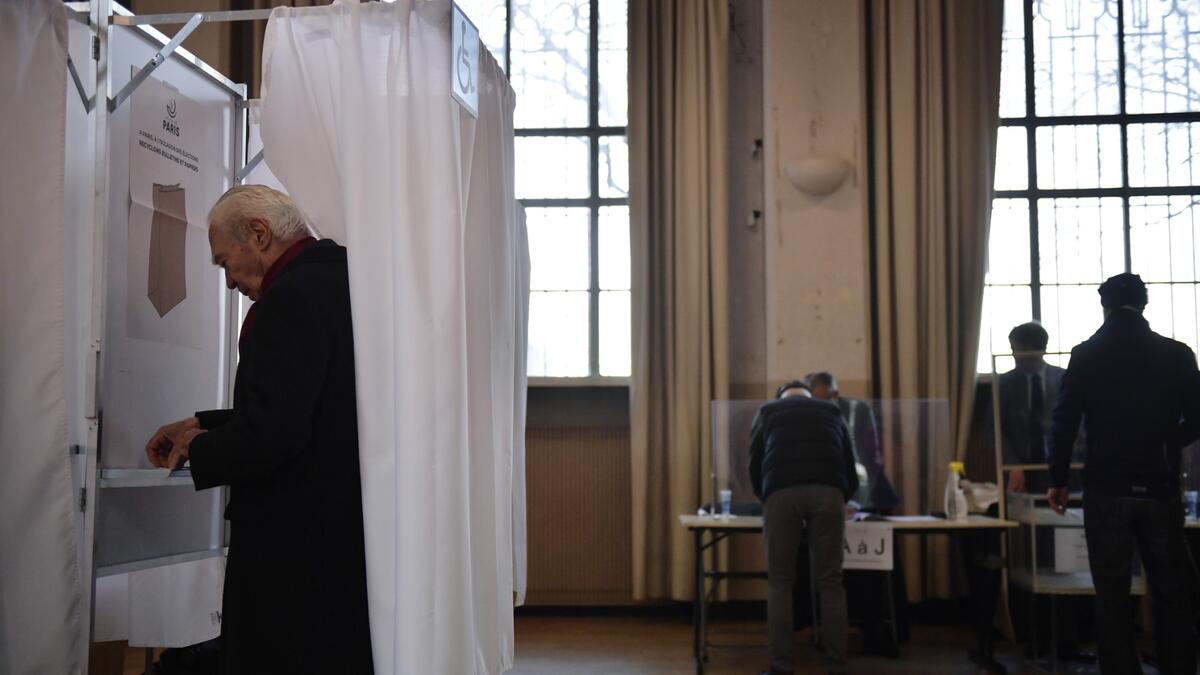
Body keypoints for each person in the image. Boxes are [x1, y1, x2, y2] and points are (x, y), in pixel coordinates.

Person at [144, 185, 374, 674]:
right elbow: (312, 409)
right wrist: (201, 424)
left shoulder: (289, 300)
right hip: (339, 532)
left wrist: (201, 449)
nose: (228, 282)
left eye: (225, 261)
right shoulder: (342, 282)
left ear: (259, 233)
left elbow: (278, 433)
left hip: (292, 544)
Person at [1047, 272, 1200, 675]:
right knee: (1172, 590)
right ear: (1144, 304)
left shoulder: (1085, 355)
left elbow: (1063, 424)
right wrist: (1168, 441)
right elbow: (1198, 418)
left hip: (1106, 486)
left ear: (1105, 305)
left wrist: (1057, 479)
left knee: (1111, 592)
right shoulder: (1178, 354)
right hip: (1159, 485)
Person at [750, 380, 857, 675]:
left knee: (780, 581)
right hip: (828, 492)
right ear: (809, 396)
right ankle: (836, 666)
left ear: (780, 396)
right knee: (830, 581)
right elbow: (849, 464)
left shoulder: (768, 412)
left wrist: (767, 497)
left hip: (781, 494)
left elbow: (754, 464)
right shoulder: (831, 413)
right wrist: (840, 496)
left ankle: (780, 666)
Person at [804, 371, 898, 512]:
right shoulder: (804, 414)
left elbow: (872, 455)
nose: (818, 408)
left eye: (823, 402)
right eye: (813, 403)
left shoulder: (858, 410)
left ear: (835, 395)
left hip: (860, 485)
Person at [996, 322, 1065, 495]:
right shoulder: (1005, 383)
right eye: (1013, 350)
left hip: (1062, 466)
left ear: (1040, 350)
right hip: (1019, 470)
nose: (1016, 356)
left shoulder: (1063, 379)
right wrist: (1013, 464)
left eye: (1020, 350)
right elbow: (995, 430)